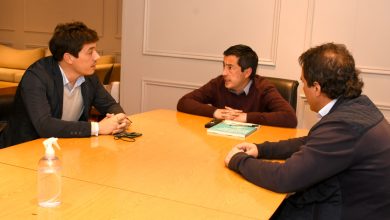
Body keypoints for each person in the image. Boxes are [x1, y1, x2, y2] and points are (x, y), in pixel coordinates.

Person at [225, 43, 390, 219]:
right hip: (355, 201)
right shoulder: (358, 106)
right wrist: (261, 149)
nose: (303, 89)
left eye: (303, 82)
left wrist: (238, 161)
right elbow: (311, 141)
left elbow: (285, 178)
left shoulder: (344, 126)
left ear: (317, 88)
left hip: (344, 210)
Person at [1, 21, 131, 147]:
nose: (97, 57)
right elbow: (45, 126)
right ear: (69, 58)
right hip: (21, 152)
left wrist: (119, 120)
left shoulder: (89, 77)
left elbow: (110, 105)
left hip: (65, 147)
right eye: (90, 52)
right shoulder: (36, 77)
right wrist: (98, 127)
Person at [177, 44, 297, 128]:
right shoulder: (218, 83)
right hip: (219, 143)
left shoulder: (263, 88)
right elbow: (184, 102)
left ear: (247, 72)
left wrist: (245, 117)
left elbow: (290, 118)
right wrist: (216, 112)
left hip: (253, 147)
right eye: (224, 66)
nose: (224, 73)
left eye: (230, 68)